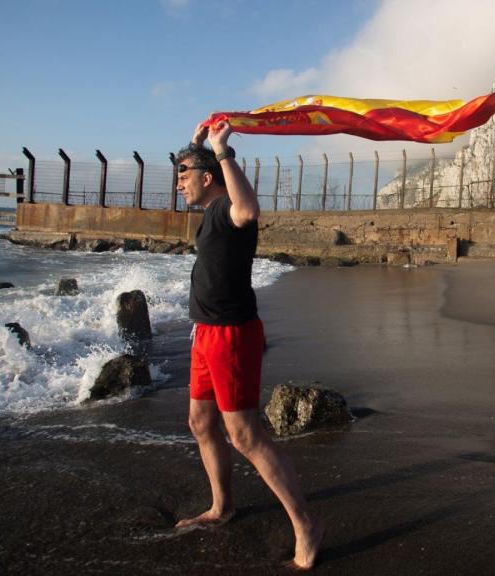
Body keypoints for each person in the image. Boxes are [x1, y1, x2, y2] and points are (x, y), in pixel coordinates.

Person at [174, 120, 324, 570]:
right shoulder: (209, 211)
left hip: (232, 336)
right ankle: (222, 507)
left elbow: (250, 207)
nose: (178, 183)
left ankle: (306, 525)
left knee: (244, 434)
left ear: (208, 179)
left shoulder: (227, 211)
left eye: (184, 174)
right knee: (201, 423)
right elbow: (203, 172)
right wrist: (196, 147)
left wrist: (220, 150)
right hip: (205, 333)